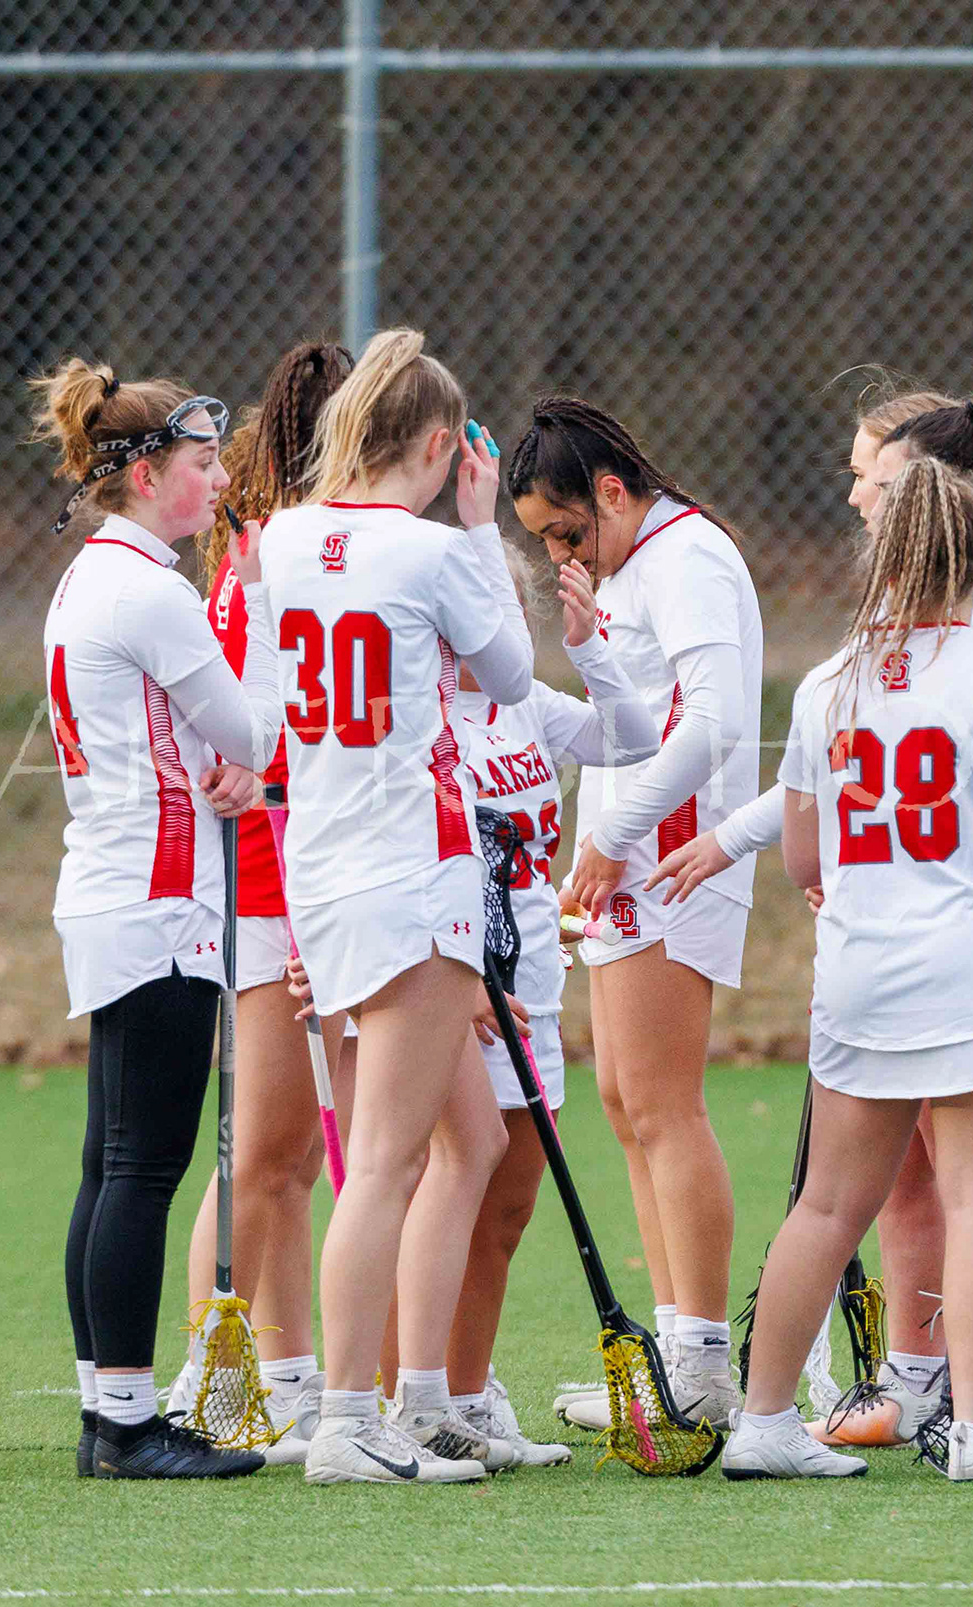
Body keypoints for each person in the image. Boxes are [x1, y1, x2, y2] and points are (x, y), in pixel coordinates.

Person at [649, 380, 973, 1450]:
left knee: (925, 1182)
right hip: (948, 925)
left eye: (873, 479)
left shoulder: (922, 645)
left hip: (929, 936)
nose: (859, 498)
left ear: (922, 513)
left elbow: (846, 824)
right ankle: (942, 1393)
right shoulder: (934, 656)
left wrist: (777, 847)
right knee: (943, 1181)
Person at [261, 328, 536, 1485]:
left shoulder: (282, 538)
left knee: (472, 1139)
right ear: (434, 444)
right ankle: (346, 1419)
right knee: (381, 1163)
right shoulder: (428, 553)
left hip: (326, 870)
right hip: (411, 872)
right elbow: (510, 677)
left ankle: (422, 1400)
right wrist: (476, 526)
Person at [35, 357, 282, 1479]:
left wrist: (220, 763)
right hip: (158, 902)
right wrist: (259, 601)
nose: (218, 481)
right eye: (200, 462)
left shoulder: (96, 575)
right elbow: (253, 726)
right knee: (139, 1167)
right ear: (144, 476)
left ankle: (111, 1410)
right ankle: (128, 1427)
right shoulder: (149, 588)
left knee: (111, 1164)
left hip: (116, 886)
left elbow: (193, 737)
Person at [506, 398, 763, 1429]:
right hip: (626, 859)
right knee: (624, 1102)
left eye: (567, 531)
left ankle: (702, 1370)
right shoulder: (632, 568)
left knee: (664, 1104)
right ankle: (674, 1360)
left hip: (674, 861)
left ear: (612, 492)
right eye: (543, 540)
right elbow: (636, 724)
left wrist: (619, 837)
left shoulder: (687, 556)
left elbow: (714, 723)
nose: (562, 554)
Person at [166, 341, 354, 1464]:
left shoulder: (299, 546)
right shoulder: (276, 554)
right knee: (268, 1151)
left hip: (319, 868)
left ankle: (286, 1375)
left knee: (290, 1157)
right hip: (276, 874)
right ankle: (213, 1378)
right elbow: (260, 725)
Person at [440, 547, 660, 1465]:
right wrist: (456, 974)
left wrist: (591, 648)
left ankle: (467, 1395)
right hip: (456, 990)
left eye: (503, 605)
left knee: (507, 1211)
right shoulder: (421, 715)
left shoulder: (528, 702)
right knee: (441, 1200)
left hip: (533, 989)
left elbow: (637, 739)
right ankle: (410, 1399)